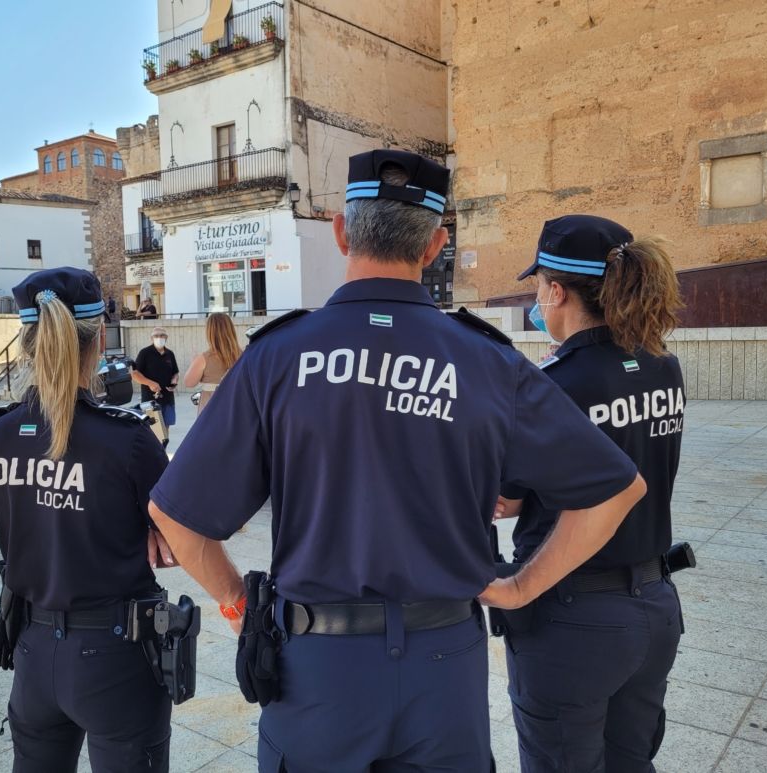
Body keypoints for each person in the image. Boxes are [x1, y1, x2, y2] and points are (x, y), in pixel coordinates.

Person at [146, 149, 646, 772]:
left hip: (315, 673)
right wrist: (520, 588)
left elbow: (176, 516)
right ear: (435, 245)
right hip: (445, 668)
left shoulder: (276, 357)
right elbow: (615, 489)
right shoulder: (487, 361)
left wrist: (237, 604)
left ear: (340, 231)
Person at [495, 215, 687, 773]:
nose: (538, 301)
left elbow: (505, 500)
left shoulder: (552, 383)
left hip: (572, 618)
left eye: (539, 286)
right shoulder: (662, 365)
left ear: (557, 290)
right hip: (654, 606)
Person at [0, 267, 176, 772]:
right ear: (100, 336)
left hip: (32, 649)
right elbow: (180, 537)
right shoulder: (127, 438)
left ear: (25, 341)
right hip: (114, 654)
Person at [181, 313, 241, 413]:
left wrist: (194, 362)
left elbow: (189, 382)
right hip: (237, 407)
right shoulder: (244, 355)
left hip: (211, 411)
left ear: (210, 332)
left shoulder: (203, 358)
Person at [132, 327, 178, 446]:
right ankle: (154, 456)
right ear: (151, 338)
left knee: (165, 429)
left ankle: (163, 453)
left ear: (166, 338)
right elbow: (135, 374)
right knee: (153, 430)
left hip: (168, 399)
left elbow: (175, 372)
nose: (160, 338)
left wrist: (174, 381)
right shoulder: (145, 353)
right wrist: (150, 383)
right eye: (156, 335)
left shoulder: (170, 354)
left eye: (162, 335)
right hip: (150, 400)